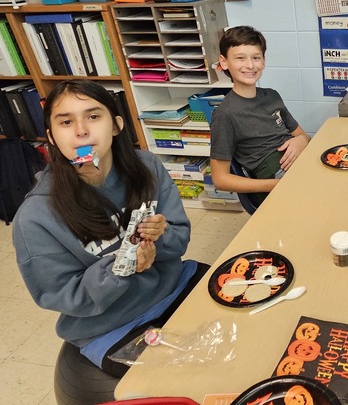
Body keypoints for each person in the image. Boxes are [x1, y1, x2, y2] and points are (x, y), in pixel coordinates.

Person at [13, 80, 208, 377]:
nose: (81, 130)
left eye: (93, 116)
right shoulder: (35, 217)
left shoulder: (147, 167)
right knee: (187, 377)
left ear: (116, 125)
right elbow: (60, 293)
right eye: (66, 121)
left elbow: (179, 237)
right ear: (52, 137)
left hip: (172, 284)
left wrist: (161, 239)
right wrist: (122, 267)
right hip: (112, 325)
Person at [209, 26, 310, 201]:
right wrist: (275, 185)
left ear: (263, 61)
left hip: (300, 161)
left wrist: (300, 141)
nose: (250, 65)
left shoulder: (272, 96)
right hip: (273, 176)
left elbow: (302, 135)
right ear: (224, 62)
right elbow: (220, 179)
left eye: (256, 58)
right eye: (240, 58)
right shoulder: (225, 115)